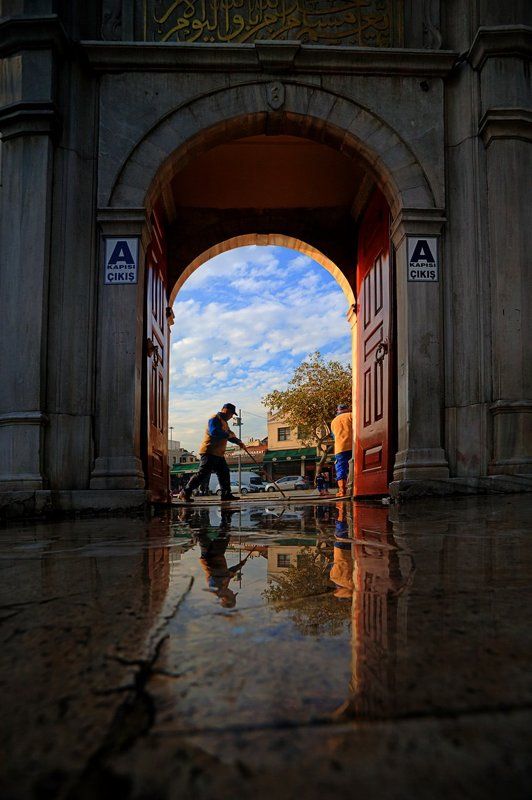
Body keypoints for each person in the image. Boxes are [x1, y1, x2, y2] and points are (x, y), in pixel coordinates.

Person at [181, 403, 243, 503]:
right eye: (231, 413)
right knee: (202, 474)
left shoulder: (225, 423)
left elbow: (230, 436)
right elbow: (214, 431)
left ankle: (226, 494)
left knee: (224, 473)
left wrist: (238, 442)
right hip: (209, 452)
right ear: (225, 410)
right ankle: (185, 492)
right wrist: (228, 435)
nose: (231, 416)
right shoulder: (214, 418)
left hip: (218, 453)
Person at [331, 403, 353, 497]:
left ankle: (342, 491)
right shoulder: (352, 415)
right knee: (356, 466)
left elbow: (333, 436)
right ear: (347, 409)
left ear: (338, 411)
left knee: (341, 468)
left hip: (340, 447)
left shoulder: (334, 421)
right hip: (353, 445)